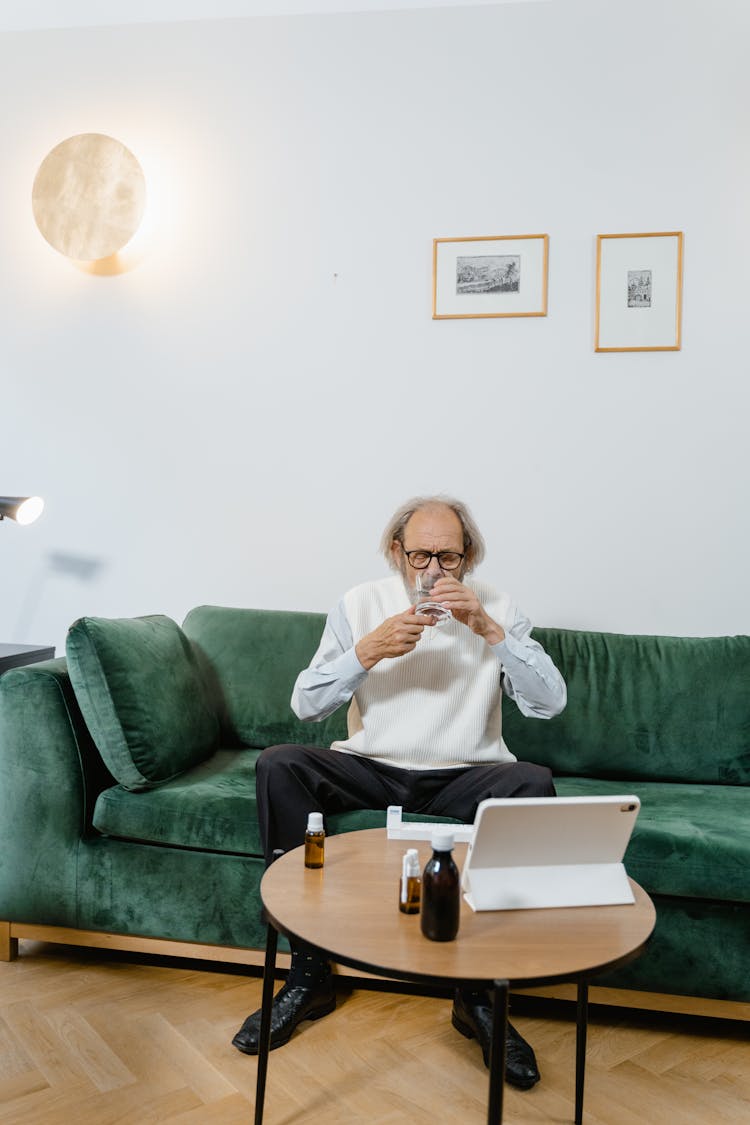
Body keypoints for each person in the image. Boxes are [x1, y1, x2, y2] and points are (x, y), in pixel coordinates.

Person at [233, 495, 566, 1089]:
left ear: (468, 558)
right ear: (396, 551)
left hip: (466, 772)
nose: (433, 571)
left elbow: (549, 702)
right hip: (374, 765)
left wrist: (490, 631)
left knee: (533, 782)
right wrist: (366, 652)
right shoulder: (361, 603)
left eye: (449, 557)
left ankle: (479, 999)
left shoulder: (499, 607)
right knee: (280, 764)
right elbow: (306, 706)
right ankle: (309, 977)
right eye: (420, 555)